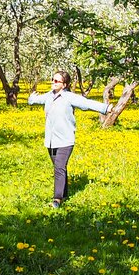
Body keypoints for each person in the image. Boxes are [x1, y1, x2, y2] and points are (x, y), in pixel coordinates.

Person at [27, 71, 111, 209]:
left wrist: (105, 108)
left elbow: (86, 103)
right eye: (52, 79)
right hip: (51, 140)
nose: (53, 82)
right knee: (60, 167)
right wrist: (31, 99)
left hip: (65, 140)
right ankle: (64, 195)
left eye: (56, 81)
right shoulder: (49, 96)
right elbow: (36, 100)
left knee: (59, 168)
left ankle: (57, 199)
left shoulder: (69, 97)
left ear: (64, 84)